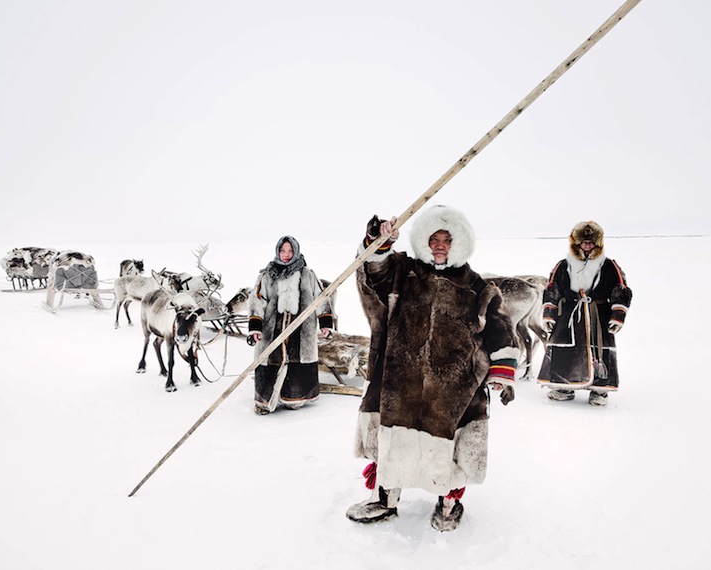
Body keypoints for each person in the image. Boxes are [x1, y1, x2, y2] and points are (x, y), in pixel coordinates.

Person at [346, 205, 520, 532]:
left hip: (454, 388)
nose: (439, 245)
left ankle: (449, 503)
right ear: (423, 241)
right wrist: (379, 239)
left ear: (459, 243)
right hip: (400, 382)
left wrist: (501, 371)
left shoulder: (478, 288)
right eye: (434, 239)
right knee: (390, 441)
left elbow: (500, 328)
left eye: (447, 239)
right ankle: (384, 499)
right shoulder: (404, 272)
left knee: (449, 448)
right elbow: (373, 270)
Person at [537, 220, 632, 406]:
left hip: (599, 315)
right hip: (569, 315)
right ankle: (563, 387)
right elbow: (552, 288)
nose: (587, 246)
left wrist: (617, 315)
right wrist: (549, 312)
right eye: (584, 242)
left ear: (598, 244)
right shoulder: (564, 265)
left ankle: (599, 391)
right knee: (566, 348)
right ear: (576, 243)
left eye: (591, 242)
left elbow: (620, 289)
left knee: (599, 351)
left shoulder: (608, 265)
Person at [247, 235, 334, 415]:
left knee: (297, 360)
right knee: (270, 359)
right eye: (282, 250)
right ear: (278, 251)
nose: (286, 254)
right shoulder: (267, 275)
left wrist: (325, 322)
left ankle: (295, 398)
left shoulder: (307, 274)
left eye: (290, 251)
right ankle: (264, 401)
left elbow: (321, 298)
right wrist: (255, 326)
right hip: (273, 328)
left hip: (301, 328)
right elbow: (257, 300)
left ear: (296, 252)